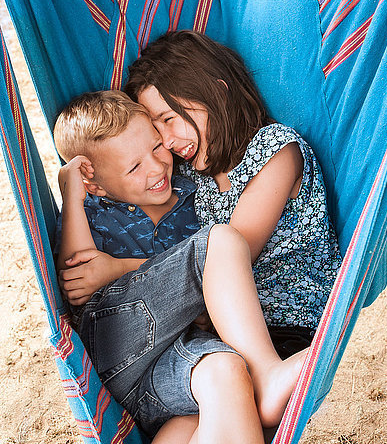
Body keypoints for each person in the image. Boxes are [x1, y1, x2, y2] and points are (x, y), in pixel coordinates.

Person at [54, 89, 306, 443]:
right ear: (94, 183)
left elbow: (211, 285)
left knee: (227, 374)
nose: (157, 167)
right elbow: (80, 279)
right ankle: (268, 373)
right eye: (134, 167)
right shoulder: (93, 210)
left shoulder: (193, 194)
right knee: (221, 240)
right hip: (118, 345)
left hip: (166, 376)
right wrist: (73, 199)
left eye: (156, 147)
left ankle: (250, 382)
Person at [125, 29, 342, 360]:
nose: (167, 141)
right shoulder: (191, 172)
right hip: (218, 335)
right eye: (158, 130)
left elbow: (230, 255)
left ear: (217, 92)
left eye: (169, 119)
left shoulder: (276, 151)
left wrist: (116, 268)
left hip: (286, 331)